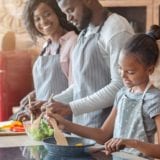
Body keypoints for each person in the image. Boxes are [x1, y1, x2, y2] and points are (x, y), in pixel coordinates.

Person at [47, 25, 160, 159]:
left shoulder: (154, 99)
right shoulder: (122, 94)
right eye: (120, 69)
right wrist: (64, 124)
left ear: (150, 69)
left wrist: (131, 143)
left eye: (130, 72)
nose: (123, 76)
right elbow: (103, 135)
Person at [42, 0, 134, 128]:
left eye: (70, 10)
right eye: (65, 13)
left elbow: (120, 86)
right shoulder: (85, 32)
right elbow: (81, 86)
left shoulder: (116, 29)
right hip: (85, 130)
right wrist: (50, 103)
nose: (69, 18)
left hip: (110, 135)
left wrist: (71, 108)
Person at [11, 0, 78, 121]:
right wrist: (35, 94)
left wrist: (47, 102)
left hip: (65, 119)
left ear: (58, 12)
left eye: (47, 14)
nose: (43, 22)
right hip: (45, 117)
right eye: (37, 19)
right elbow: (50, 84)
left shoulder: (72, 42)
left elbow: (76, 87)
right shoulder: (46, 46)